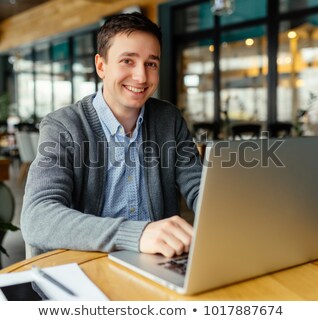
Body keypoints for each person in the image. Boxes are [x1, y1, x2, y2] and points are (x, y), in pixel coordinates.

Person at [21, 12, 202, 259]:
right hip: (87, 265)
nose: (141, 76)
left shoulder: (168, 120)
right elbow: (37, 218)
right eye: (128, 61)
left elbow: (199, 188)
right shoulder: (62, 126)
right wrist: (137, 235)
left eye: (151, 64)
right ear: (101, 66)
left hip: (158, 264)